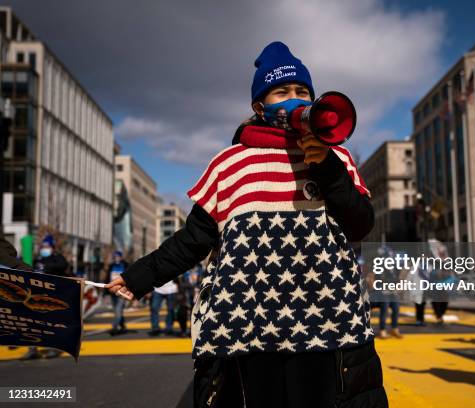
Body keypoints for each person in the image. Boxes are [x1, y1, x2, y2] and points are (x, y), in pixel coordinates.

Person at [107, 41, 387, 407]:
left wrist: (330, 171)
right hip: (250, 327)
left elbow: (360, 223)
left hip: (327, 322)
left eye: (303, 91)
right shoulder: (230, 164)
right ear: (259, 106)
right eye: (282, 92)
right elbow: (194, 239)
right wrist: (139, 277)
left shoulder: (336, 157)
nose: (294, 98)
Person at [106, 251, 129, 336]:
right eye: (114, 256)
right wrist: (106, 292)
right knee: (116, 310)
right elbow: (107, 278)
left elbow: (129, 278)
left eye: (117, 256)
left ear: (121, 257)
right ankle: (122, 325)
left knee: (118, 310)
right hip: (112, 292)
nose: (116, 258)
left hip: (121, 291)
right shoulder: (111, 266)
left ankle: (114, 327)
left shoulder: (125, 265)